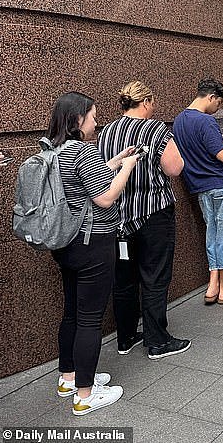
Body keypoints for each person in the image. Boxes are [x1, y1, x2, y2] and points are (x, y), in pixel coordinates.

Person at [49, 92, 139, 415]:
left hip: (67, 244)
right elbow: (106, 197)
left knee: (72, 312)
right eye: (92, 116)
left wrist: (114, 161)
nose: (96, 122)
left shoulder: (56, 151)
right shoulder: (84, 152)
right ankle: (85, 394)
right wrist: (128, 166)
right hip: (94, 244)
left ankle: (68, 377)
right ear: (77, 120)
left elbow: (86, 181)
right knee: (90, 319)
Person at [98, 81, 190, 361]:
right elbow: (175, 168)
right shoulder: (156, 129)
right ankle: (157, 341)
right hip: (153, 215)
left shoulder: (106, 132)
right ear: (147, 102)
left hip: (118, 218)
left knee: (124, 280)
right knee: (155, 277)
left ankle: (126, 337)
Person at [173, 78, 223, 305]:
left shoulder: (179, 120)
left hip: (199, 187)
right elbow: (222, 155)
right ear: (211, 97)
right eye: (218, 103)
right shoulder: (205, 121)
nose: (217, 108)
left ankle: (213, 284)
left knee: (213, 234)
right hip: (222, 185)